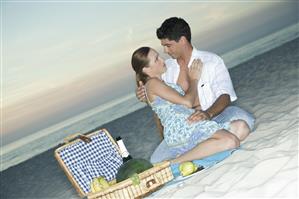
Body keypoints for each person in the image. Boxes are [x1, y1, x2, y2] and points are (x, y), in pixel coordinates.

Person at [135, 17, 255, 163]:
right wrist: (145, 97)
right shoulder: (165, 69)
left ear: (183, 40)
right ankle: (202, 149)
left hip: (214, 114)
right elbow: (161, 104)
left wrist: (207, 113)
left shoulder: (211, 61)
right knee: (155, 160)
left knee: (244, 123)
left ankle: (199, 150)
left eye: (168, 45)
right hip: (183, 127)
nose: (165, 51)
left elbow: (225, 95)